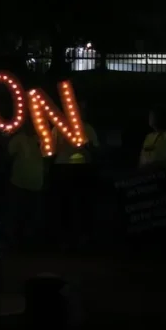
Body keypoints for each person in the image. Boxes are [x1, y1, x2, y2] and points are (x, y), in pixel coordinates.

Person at [49, 104, 99, 248]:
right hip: (71, 170)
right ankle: (73, 238)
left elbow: (50, 150)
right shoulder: (82, 127)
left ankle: (74, 238)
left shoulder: (84, 128)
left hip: (73, 170)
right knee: (72, 204)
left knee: (73, 204)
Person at [6, 124, 47, 247]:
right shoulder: (19, 138)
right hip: (19, 183)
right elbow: (8, 154)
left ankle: (30, 243)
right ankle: (16, 242)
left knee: (32, 215)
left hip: (36, 184)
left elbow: (48, 158)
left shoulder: (43, 139)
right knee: (18, 214)